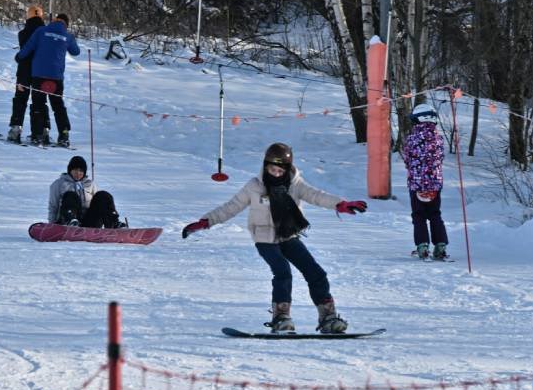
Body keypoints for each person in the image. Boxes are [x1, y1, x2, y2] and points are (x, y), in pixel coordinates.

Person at [182, 142, 368, 334]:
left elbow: (317, 196)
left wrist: (340, 204)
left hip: (288, 235)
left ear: (287, 169)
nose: (276, 174)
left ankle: (328, 317)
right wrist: (206, 221)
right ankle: (281, 318)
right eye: (272, 169)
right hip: (263, 237)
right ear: (265, 166)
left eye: (280, 170)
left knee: (316, 273)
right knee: (283, 273)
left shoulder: (296, 185)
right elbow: (232, 206)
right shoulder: (254, 186)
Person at [15, 12, 79, 146]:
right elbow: (76, 52)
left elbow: (28, 47)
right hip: (56, 77)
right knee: (58, 105)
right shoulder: (67, 36)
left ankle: (38, 135)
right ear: (66, 25)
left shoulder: (41, 30)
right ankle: (64, 135)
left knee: (38, 103)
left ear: (55, 20)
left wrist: (19, 56)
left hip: (39, 75)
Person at [403, 102, 449, 260]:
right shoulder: (438, 139)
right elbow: (441, 157)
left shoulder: (411, 139)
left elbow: (407, 159)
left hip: (417, 185)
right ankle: (440, 245)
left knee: (419, 215)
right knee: (435, 213)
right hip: (435, 185)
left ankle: (422, 246)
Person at [6, 4, 48, 143]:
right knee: (40, 101)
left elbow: (25, 53)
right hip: (41, 72)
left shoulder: (23, 33)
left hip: (24, 70)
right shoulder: (46, 33)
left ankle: (16, 128)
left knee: (20, 99)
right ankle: (41, 131)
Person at [48, 156, 123, 228]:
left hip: (89, 221)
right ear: (70, 170)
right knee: (70, 195)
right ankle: (71, 222)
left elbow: (99, 204)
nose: (78, 173)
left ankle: (114, 223)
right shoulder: (59, 184)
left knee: (103, 195)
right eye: (75, 170)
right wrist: (51, 225)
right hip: (66, 221)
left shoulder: (90, 184)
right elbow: (53, 206)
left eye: (81, 170)